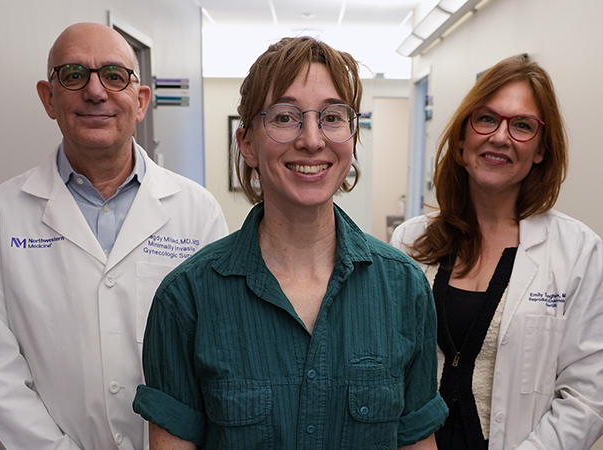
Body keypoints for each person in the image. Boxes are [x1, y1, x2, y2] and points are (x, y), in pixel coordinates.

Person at [132, 36, 449, 449]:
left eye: (333, 117)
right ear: (246, 143)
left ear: (351, 137)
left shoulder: (404, 289)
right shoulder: (187, 298)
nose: (313, 140)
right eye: (285, 117)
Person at [0, 22, 228, 450]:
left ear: (140, 102)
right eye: (74, 75)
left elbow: (218, 356)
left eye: (114, 76)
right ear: (48, 97)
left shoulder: (198, 212)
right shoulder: (1, 215)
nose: (96, 91)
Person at [390, 54, 603, 450]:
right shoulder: (409, 242)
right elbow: (386, 368)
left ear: (540, 151)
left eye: (522, 126)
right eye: (486, 118)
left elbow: (591, 395)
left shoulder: (577, 251)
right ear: (462, 136)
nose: (500, 136)